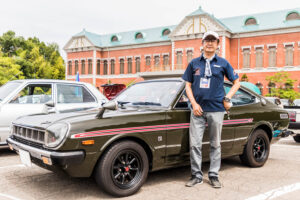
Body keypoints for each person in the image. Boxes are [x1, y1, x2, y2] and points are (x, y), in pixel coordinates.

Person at [182, 31, 240, 188]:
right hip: (197, 111)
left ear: (217, 44)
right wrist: (193, 104)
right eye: (206, 40)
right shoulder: (194, 63)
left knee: (215, 144)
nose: (209, 43)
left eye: (213, 40)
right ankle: (196, 175)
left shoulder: (223, 63)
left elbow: (236, 82)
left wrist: (227, 98)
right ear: (202, 43)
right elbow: (187, 85)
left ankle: (214, 175)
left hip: (216, 109)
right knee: (195, 144)